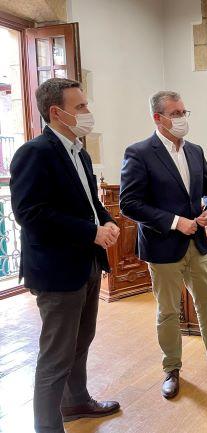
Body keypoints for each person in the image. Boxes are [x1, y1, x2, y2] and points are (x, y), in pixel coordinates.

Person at [119, 91, 207, 400]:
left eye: (183, 112)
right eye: (175, 113)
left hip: (197, 242)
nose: (182, 118)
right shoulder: (139, 153)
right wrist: (176, 221)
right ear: (158, 118)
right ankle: (172, 368)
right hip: (163, 245)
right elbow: (129, 203)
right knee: (168, 311)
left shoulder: (195, 150)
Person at [10, 78, 121, 433]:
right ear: (56, 112)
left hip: (85, 263)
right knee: (55, 356)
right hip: (56, 269)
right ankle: (47, 427)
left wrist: (107, 220)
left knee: (81, 339)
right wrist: (91, 231)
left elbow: (88, 202)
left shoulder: (80, 151)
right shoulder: (35, 153)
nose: (88, 113)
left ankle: (76, 401)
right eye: (81, 107)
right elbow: (30, 213)